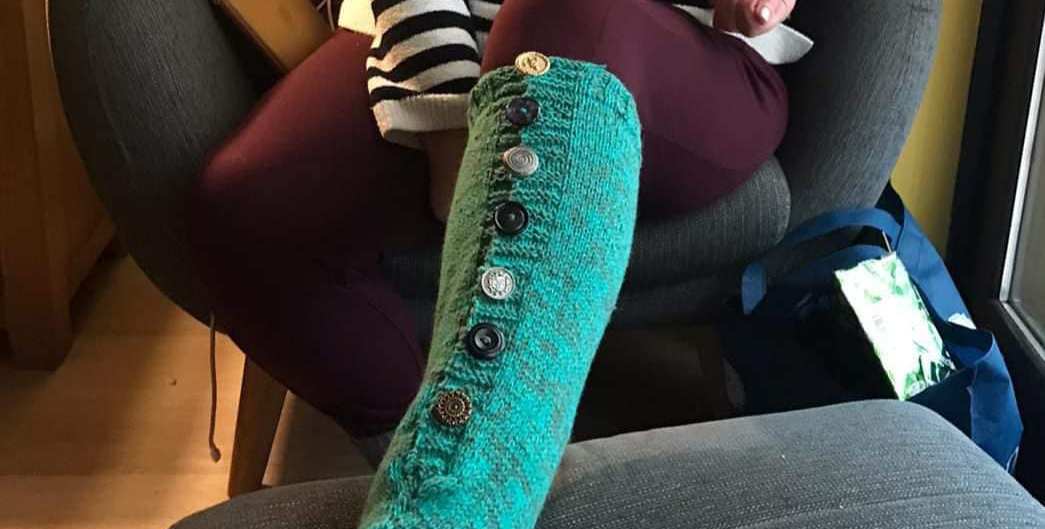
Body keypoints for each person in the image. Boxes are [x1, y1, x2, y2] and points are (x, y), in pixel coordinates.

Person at [189, 0, 808, 465]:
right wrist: (448, 118)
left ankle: (469, 507)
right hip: (440, 29)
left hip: (680, 44)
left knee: (556, 16)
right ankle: (435, 467)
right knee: (243, 211)